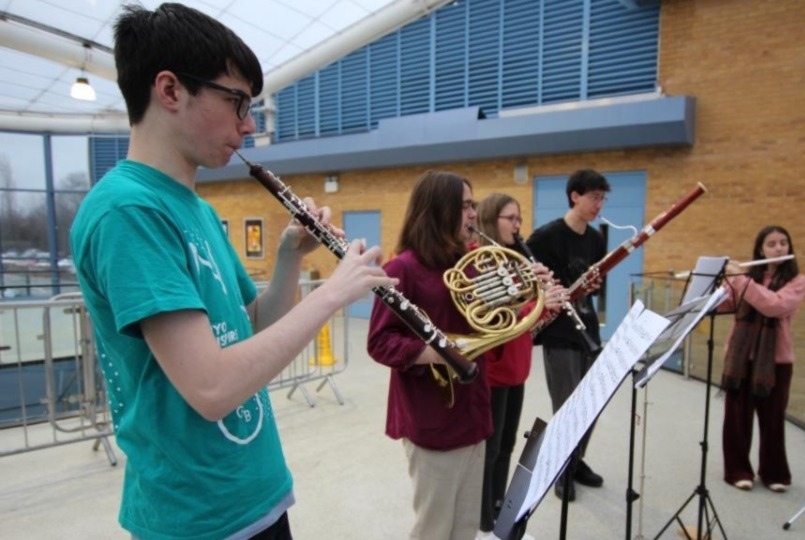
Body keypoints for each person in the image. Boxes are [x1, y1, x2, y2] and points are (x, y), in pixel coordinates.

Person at [69, 4, 396, 539]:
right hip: (197, 517)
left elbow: (251, 325)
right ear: (170, 91)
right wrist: (334, 293)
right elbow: (212, 386)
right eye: (237, 102)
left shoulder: (194, 207)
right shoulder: (127, 211)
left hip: (255, 494)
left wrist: (292, 255)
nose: (248, 124)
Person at [366, 171, 491, 540]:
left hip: (474, 408)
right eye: (466, 206)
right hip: (432, 415)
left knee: (465, 526)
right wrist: (438, 353)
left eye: (474, 205)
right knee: (435, 528)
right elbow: (380, 342)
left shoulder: (469, 262)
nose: (473, 214)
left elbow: (489, 324)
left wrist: (529, 296)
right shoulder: (403, 268)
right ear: (440, 209)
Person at [473, 193, 565, 538]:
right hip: (495, 370)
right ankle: (484, 515)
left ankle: (500, 505)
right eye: (510, 218)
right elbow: (498, 319)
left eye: (519, 219)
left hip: (518, 367)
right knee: (492, 448)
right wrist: (536, 306)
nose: (518, 225)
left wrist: (549, 304)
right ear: (490, 220)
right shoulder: (485, 263)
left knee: (509, 444)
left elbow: (529, 325)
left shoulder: (515, 262)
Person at [526, 169, 611, 502]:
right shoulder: (546, 237)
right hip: (559, 332)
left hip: (587, 328)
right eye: (594, 197)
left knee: (590, 404)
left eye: (602, 198)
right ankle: (558, 468)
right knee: (566, 406)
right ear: (575, 195)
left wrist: (593, 285)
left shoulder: (596, 239)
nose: (598, 204)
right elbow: (525, 279)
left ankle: (574, 462)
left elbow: (596, 283)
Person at [718, 225, 805, 493]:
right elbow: (726, 305)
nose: (779, 248)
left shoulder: (797, 281)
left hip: (776, 362)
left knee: (773, 419)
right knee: (736, 418)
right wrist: (721, 283)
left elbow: (774, 305)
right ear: (760, 249)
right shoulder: (747, 277)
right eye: (772, 244)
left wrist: (741, 281)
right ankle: (737, 470)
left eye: (783, 243)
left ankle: (774, 473)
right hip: (740, 357)